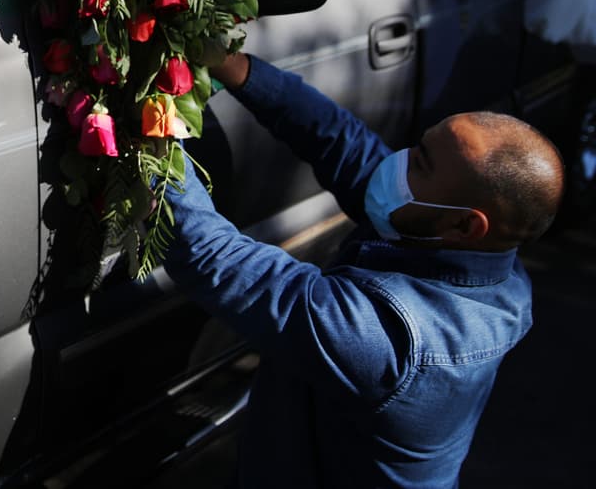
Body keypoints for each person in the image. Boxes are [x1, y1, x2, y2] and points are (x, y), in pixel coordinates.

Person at [162, 51, 565, 488]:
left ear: (466, 223)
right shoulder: (484, 258)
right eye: (418, 145)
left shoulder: (394, 342)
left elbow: (212, 257)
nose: (400, 160)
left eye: (421, 162)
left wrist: (143, 127)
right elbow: (340, 142)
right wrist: (233, 65)